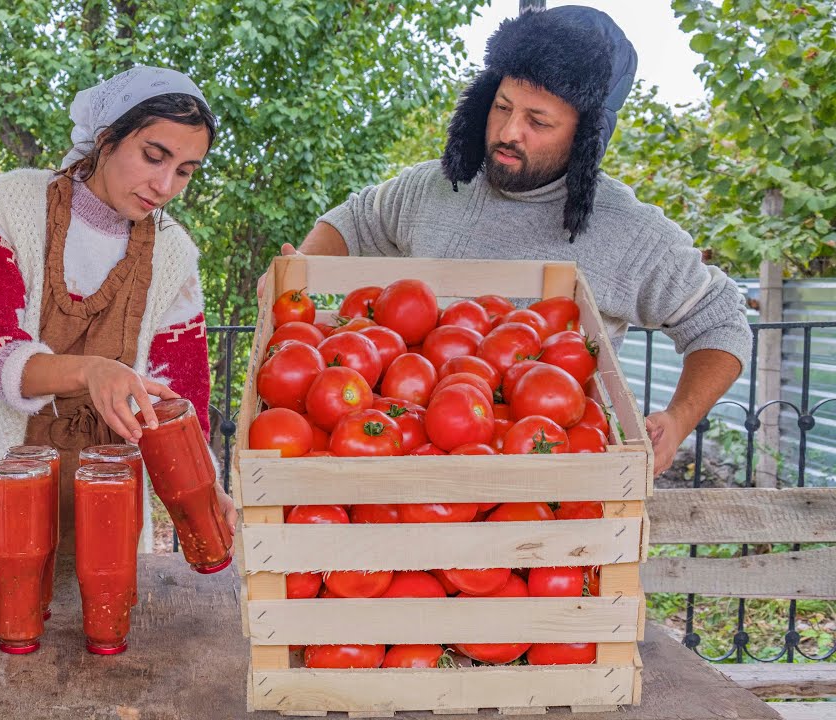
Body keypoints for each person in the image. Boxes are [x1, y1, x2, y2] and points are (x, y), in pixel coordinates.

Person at [270, 6, 750, 475]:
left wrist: (679, 418)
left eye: (538, 121)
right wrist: (300, 276)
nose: (507, 131)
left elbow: (721, 320)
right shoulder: (432, 187)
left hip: (546, 488)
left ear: (587, 137)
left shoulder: (629, 230)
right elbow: (353, 219)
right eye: (501, 106)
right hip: (411, 472)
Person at [0, 66, 236, 537]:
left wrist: (203, 486)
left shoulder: (174, 255)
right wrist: (92, 370)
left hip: (105, 501)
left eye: (184, 172)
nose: (165, 186)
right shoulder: (15, 206)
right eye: (154, 156)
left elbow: (181, 403)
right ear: (106, 139)